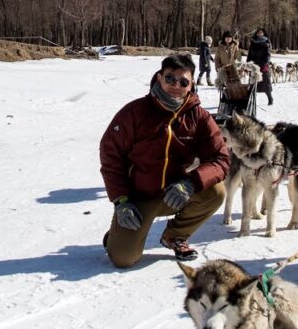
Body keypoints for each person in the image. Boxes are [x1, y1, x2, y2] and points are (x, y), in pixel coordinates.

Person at [99, 54, 230, 267]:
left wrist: (191, 182)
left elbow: (221, 159)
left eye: (183, 81)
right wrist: (121, 201)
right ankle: (116, 236)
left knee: (216, 192)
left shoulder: (199, 117)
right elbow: (111, 158)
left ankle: (175, 236)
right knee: (124, 259)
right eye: (170, 78)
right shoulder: (134, 112)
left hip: (177, 192)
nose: (175, 85)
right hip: (138, 199)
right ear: (159, 77)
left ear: (191, 85)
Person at [246, 28, 273, 105]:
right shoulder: (253, 42)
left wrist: (265, 63)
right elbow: (249, 54)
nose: (260, 34)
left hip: (263, 65)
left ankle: (270, 98)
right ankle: (251, 100)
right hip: (254, 65)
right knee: (252, 83)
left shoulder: (266, 42)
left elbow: (268, 55)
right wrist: (248, 63)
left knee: (265, 83)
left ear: (263, 33)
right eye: (258, 33)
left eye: (261, 33)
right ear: (256, 34)